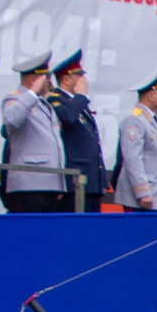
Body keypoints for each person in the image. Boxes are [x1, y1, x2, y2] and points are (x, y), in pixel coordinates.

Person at [0, 57, 70, 212]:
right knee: (27, 232)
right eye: (46, 78)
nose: (50, 82)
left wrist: (59, 182)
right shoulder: (15, 97)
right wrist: (31, 92)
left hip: (50, 182)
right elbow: (11, 119)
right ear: (34, 79)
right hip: (28, 183)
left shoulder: (42, 103)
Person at [51, 54, 107, 210]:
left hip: (90, 181)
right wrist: (81, 96)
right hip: (74, 180)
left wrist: (101, 179)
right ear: (67, 80)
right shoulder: (56, 100)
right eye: (79, 76)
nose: (84, 81)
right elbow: (66, 118)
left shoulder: (76, 102)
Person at [116, 77, 157, 211]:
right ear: (151, 95)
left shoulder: (153, 119)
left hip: (156, 194)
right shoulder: (135, 119)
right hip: (141, 199)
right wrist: (143, 192)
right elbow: (133, 157)